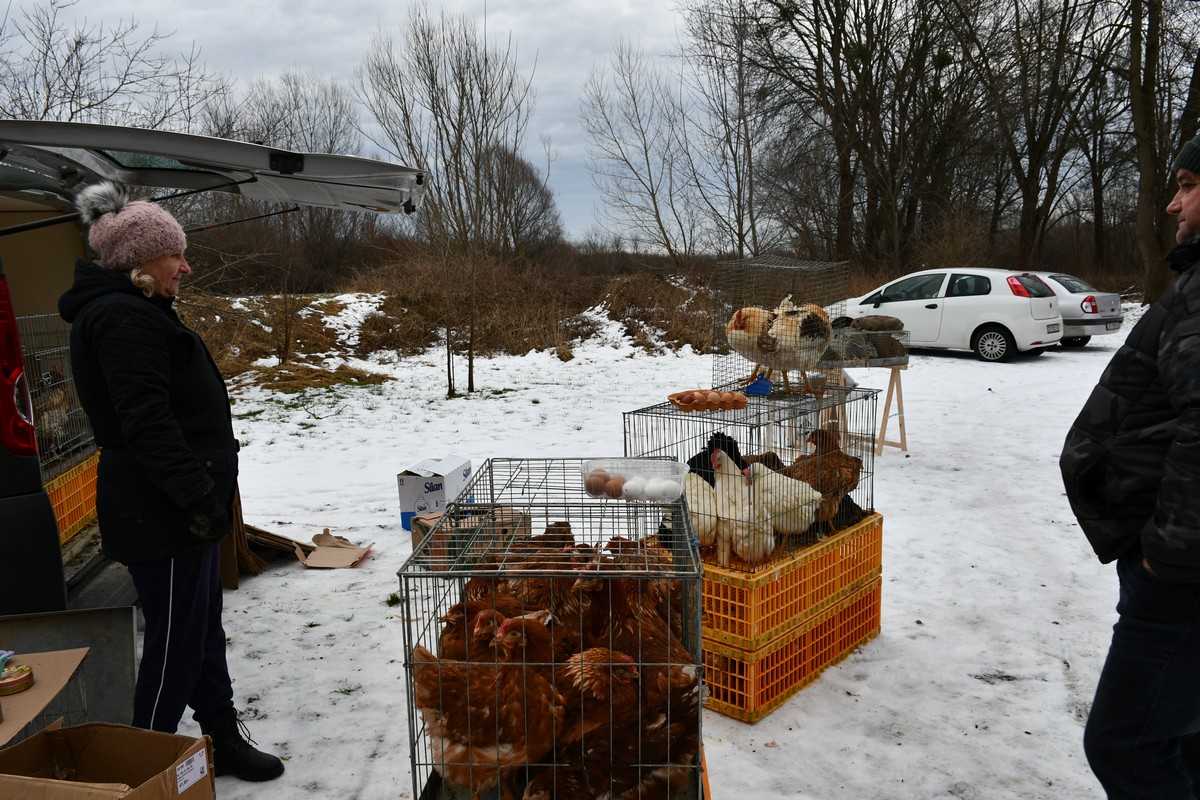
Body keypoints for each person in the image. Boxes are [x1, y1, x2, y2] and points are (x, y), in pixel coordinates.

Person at [58, 181, 284, 782]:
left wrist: (206, 499)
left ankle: (221, 737)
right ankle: (141, 768)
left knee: (199, 628)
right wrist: (197, 499)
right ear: (138, 262)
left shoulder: (139, 312)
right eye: (173, 255)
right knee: (174, 642)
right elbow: (148, 425)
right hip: (162, 510)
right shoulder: (120, 319)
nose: (185, 265)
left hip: (181, 506)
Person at [1061, 132, 1200, 798]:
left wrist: (1165, 563)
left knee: (1125, 743)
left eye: (1190, 186)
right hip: (1172, 559)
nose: (1176, 204)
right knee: (1182, 735)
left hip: (1179, 577)